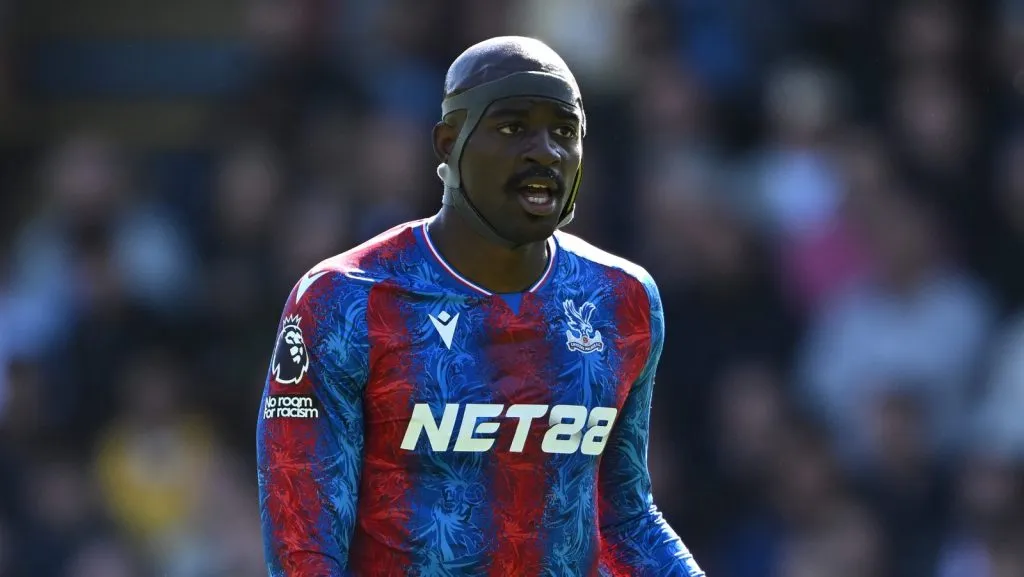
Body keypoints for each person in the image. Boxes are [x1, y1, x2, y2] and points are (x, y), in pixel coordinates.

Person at [256, 36, 705, 576]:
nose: (546, 152)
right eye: (514, 128)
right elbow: (303, 546)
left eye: (565, 131)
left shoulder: (621, 299)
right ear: (449, 144)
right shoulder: (343, 299)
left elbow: (625, 521)